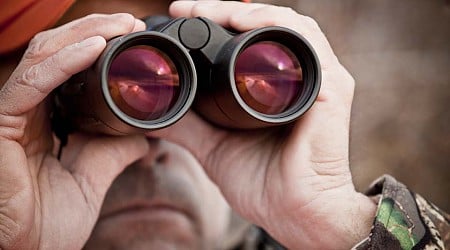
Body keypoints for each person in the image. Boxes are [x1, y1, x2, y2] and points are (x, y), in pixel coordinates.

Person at [0, 0, 448, 249]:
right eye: (118, 86)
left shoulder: (328, 236)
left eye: (193, 95)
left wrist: (339, 226)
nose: (156, 137)